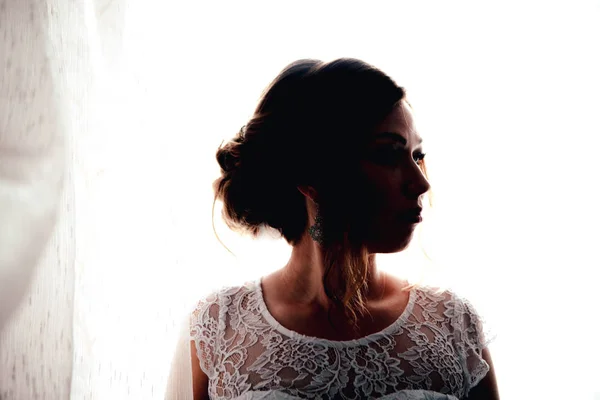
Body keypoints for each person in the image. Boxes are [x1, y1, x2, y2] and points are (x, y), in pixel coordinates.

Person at [190, 58, 499, 399]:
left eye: (416, 155)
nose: (420, 183)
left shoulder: (453, 325)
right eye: (388, 155)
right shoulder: (220, 328)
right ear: (310, 175)